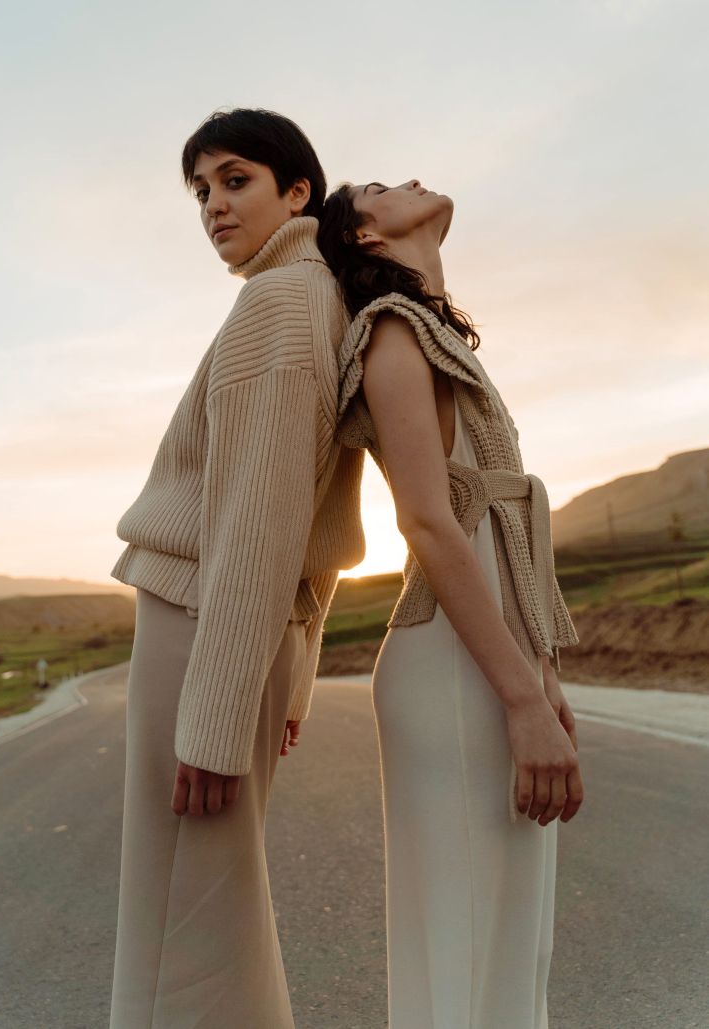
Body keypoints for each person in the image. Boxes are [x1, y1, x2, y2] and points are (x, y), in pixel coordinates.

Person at [107, 108, 366, 1029]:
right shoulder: (318, 297)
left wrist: (217, 718)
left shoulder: (279, 304)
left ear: (298, 193)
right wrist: (293, 673)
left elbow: (260, 520)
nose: (213, 205)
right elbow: (307, 508)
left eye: (235, 179)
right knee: (208, 912)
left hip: (197, 630)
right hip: (234, 633)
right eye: (201, 191)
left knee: (184, 923)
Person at [317, 178, 584, 1029]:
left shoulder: (432, 333)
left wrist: (542, 675)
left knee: (511, 951)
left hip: (491, 666)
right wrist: (520, 697)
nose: (409, 182)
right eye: (381, 188)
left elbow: (500, 528)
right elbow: (429, 521)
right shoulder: (392, 333)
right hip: (453, 674)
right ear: (365, 237)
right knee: (470, 952)